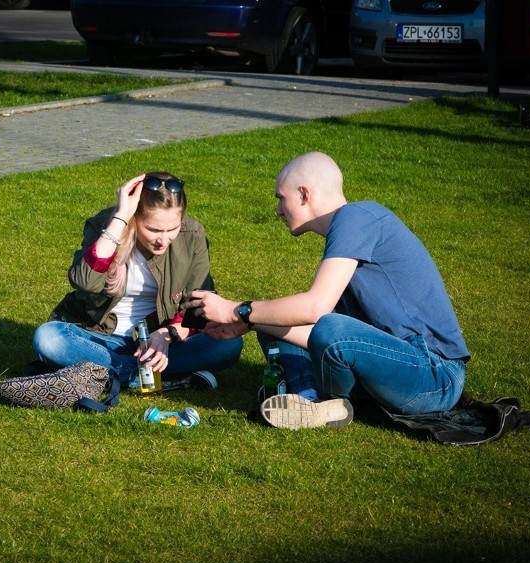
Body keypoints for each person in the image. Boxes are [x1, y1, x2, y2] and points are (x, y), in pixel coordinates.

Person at [184, 152, 470, 430]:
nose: (278, 210)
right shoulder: (350, 230)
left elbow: (316, 310)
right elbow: (319, 328)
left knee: (321, 322)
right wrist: (250, 322)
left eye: (281, 198)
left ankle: (322, 398)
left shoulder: (357, 217)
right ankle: (308, 399)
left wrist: (237, 310)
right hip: (394, 366)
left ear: (305, 194)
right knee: (273, 320)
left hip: (434, 376)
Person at [32, 171, 243, 394]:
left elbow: (198, 305)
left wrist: (167, 335)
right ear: (135, 217)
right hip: (99, 337)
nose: (163, 239)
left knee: (228, 345)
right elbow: (86, 281)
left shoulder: (192, 235)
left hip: (159, 342)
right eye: (152, 229)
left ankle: (100, 373)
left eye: (173, 228)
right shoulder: (105, 225)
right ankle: (162, 379)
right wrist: (121, 217)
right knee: (48, 339)